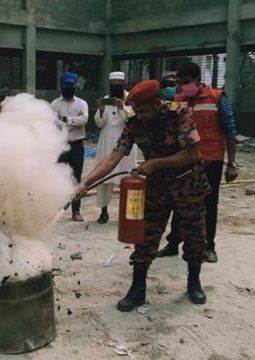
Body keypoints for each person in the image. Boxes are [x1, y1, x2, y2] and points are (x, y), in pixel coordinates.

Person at [74, 80, 211, 311]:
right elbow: (113, 157)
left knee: (195, 234)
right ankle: (138, 289)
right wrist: (86, 182)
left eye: (144, 110)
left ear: (158, 103)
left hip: (188, 183)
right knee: (145, 236)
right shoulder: (135, 122)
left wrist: (155, 163)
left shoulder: (180, 114)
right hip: (157, 188)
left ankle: (194, 282)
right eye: (136, 110)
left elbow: (191, 153)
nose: (140, 115)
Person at [157, 62, 239, 263]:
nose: (184, 87)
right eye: (181, 83)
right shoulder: (178, 100)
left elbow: (230, 131)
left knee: (208, 205)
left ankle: (208, 246)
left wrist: (232, 164)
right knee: (178, 202)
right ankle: (173, 243)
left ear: (199, 80)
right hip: (184, 161)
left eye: (187, 82)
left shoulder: (217, 98)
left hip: (211, 161)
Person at [93, 71, 137, 224]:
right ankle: (103, 212)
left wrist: (123, 107)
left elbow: (134, 120)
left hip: (126, 145)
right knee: (104, 178)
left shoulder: (131, 98)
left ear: (124, 83)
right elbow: (99, 123)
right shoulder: (106, 100)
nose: (116, 87)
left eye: (119, 85)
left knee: (128, 178)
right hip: (106, 144)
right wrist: (100, 110)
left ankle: (127, 212)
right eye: (113, 85)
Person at [51, 72, 88, 222]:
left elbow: (84, 119)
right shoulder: (54, 104)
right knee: (56, 177)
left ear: (75, 87)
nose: (69, 88)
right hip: (61, 146)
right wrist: (74, 120)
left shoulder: (82, 103)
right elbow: (54, 121)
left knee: (76, 178)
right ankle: (54, 210)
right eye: (66, 85)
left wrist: (66, 120)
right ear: (61, 86)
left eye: (71, 85)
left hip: (77, 146)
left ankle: (76, 210)